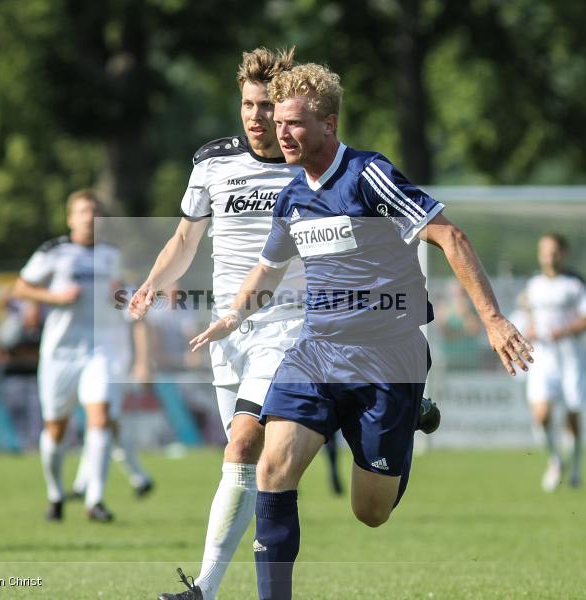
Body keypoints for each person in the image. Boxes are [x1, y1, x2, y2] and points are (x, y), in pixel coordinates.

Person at [188, 62, 531, 600]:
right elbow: (267, 269)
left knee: (369, 512)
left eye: (295, 123)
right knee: (273, 467)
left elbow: (450, 235)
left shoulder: (368, 175)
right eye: (278, 123)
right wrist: (233, 315)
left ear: (330, 123)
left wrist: (492, 318)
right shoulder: (292, 197)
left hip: (386, 358)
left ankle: (405, 420)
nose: (283, 133)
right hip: (315, 352)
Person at [127, 47, 305, 600]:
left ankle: (201, 588)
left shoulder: (311, 166)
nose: (255, 117)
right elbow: (185, 240)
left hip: (286, 324)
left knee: (243, 445)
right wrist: (154, 281)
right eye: (247, 105)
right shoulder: (212, 161)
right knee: (245, 468)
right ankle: (220, 585)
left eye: (265, 107)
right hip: (226, 332)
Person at [13, 189, 153, 523]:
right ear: (70, 218)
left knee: (101, 417)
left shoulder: (111, 255)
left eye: (94, 211)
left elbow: (120, 295)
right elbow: (20, 288)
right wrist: (54, 297)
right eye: (82, 211)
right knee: (56, 430)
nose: (89, 217)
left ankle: (95, 500)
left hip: (99, 350)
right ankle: (56, 493)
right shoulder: (54, 252)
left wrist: (123, 297)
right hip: (60, 352)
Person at [523, 233, 586, 492]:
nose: (548, 256)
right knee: (541, 415)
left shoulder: (576, 282)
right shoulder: (534, 284)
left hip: (570, 356)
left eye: (553, 251)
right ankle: (555, 461)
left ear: (563, 253)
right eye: (544, 251)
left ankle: (576, 469)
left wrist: (563, 331)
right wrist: (531, 327)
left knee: (572, 414)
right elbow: (528, 311)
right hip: (543, 357)